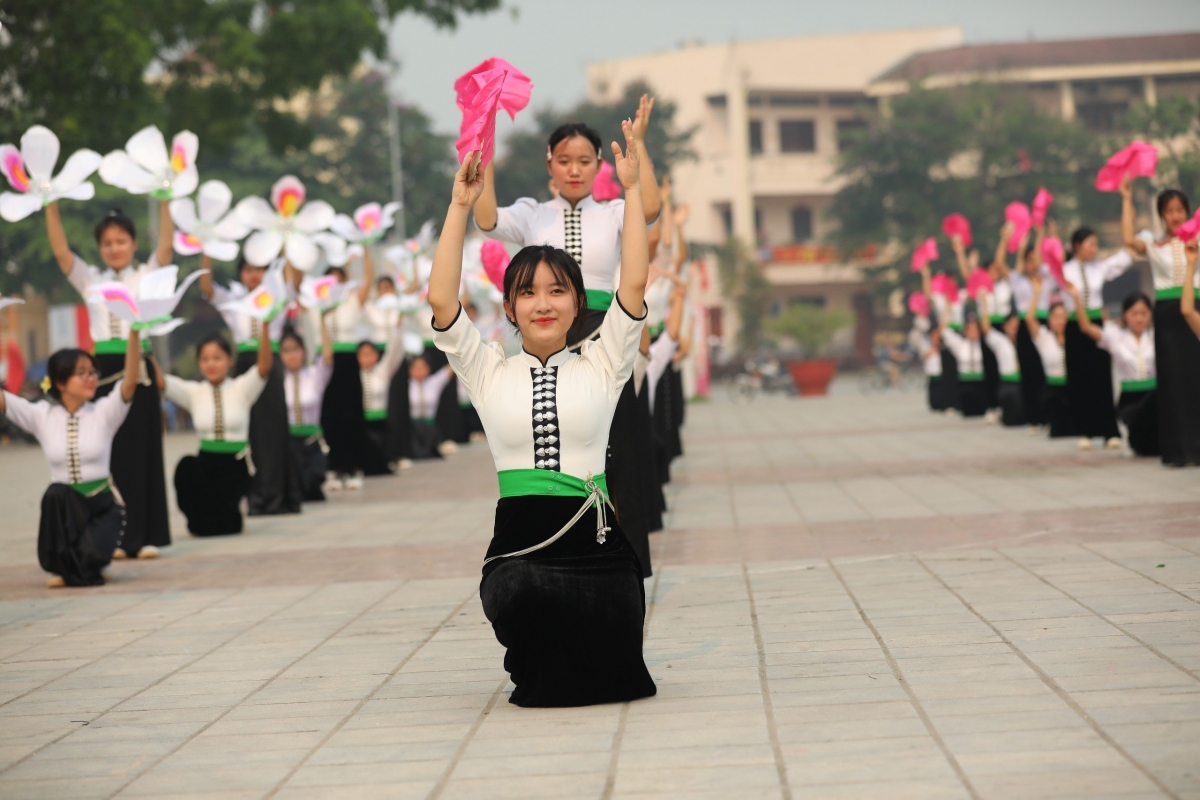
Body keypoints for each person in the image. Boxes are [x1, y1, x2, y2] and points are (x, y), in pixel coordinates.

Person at [429, 124, 656, 707]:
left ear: (578, 302)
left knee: (616, 674)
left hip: (599, 553)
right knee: (522, 595)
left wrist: (632, 194)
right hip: (520, 553)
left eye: (557, 291)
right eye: (528, 293)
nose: (543, 303)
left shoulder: (605, 362)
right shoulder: (486, 370)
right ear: (509, 307)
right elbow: (441, 302)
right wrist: (460, 206)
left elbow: (633, 280)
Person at [472, 95, 661, 346]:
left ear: (598, 165)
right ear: (549, 166)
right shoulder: (531, 213)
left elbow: (648, 210)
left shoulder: (613, 213)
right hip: (546, 333)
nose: (574, 171)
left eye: (584, 161)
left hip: (604, 334)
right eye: (564, 161)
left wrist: (637, 142)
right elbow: (487, 220)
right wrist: (487, 150)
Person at [47, 201, 173, 559]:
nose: (115, 248)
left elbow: (165, 246)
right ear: (100, 248)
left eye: (121, 241)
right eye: (107, 243)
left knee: (145, 448)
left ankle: (148, 535)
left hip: (140, 366)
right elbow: (60, 251)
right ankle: (114, 535)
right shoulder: (91, 280)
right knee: (108, 452)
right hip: (102, 371)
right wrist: (50, 203)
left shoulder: (147, 275)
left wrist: (164, 198)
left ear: (133, 243)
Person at [0, 330, 142, 586]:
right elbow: (3, 399)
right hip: (66, 510)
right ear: (61, 383)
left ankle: (95, 558)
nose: (91, 378)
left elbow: (130, 382)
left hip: (102, 506)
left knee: (89, 566)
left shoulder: (104, 412)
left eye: (92, 372)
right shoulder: (42, 415)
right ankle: (69, 563)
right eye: (82, 373)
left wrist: (134, 334)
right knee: (56, 492)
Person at [199, 255, 301, 516]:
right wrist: (208, 249)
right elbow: (206, 287)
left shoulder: (277, 295)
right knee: (249, 432)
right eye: (248, 270)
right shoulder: (234, 300)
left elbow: (296, 279)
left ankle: (277, 497)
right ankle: (255, 497)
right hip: (245, 364)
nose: (254, 275)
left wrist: (290, 243)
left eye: (259, 269)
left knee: (274, 432)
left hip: (271, 363)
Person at [157, 331, 272, 536]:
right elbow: (162, 382)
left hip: (235, 466)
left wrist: (265, 326)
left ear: (229, 360)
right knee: (186, 467)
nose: (211, 364)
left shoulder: (242, 388)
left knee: (228, 525)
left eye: (217, 358)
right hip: (207, 463)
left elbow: (263, 368)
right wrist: (141, 337)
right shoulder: (194, 392)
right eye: (205, 359)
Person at [1120, 177, 1200, 466]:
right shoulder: (1154, 243)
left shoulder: (1198, 237)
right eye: (1169, 210)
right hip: (1167, 313)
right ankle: (1177, 450)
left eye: (1180, 209)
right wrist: (1127, 199)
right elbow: (1129, 240)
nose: (1176, 215)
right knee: (1172, 381)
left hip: (1195, 307)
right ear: (1162, 214)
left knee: (1196, 377)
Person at [1059, 225, 1135, 450]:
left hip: (1096, 325)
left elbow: (1124, 259)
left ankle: (1109, 430)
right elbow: (1040, 264)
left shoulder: (1099, 268)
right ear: (1076, 246)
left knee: (1101, 376)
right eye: (1090, 244)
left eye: (1095, 244)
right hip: (1074, 326)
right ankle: (1084, 430)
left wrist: (1133, 236)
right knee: (1079, 376)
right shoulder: (1063, 270)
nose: (1094, 248)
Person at [1071, 286, 1158, 457]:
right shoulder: (1115, 337)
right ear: (1125, 315)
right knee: (1140, 442)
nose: (1139, 318)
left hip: (1153, 396)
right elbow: (1086, 328)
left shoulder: (1156, 336)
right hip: (1130, 398)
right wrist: (1077, 300)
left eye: (1144, 313)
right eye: (1134, 313)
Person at [317, 255, 373, 490]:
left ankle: (353, 468)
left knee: (352, 416)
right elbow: (319, 329)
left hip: (349, 362)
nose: (335, 283)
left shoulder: (353, 300)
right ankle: (334, 468)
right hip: (329, 362)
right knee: (331, 418)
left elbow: (369, 278)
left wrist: (365, 244)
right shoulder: (320, 303)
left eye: (339, 278)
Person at [280, 321, 333, 502]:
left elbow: (327, 356)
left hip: (312, 443)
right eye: (286, 351)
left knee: (312, 487)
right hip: (289, 444)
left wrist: (322, 319)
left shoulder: (314, 376)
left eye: (295, 349)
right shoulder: (277, 381)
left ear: (303, 351)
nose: (291, 355)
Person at [1011, 226, 1050, 431]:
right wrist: (1022, 245)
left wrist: (1041, 234)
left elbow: (1048, 257)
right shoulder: (1018, 281)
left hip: (1044, 324)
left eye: (1036, 259)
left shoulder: (1046, 278)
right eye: (1029, 259)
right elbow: (1009, 264)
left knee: (1047, 370)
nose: (1033, 263)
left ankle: (1048, 415)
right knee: (1029, 372)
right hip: (1026, 327)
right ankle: (1033, 418)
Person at [1025, 273, 1073, 438]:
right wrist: (1037, 292)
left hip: (1072, 389)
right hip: (1052, 390)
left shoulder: (1075, 338)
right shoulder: (1044, 337)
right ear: (1050, 320)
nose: (1061, 321)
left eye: (1063, 317)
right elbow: (1029, 319)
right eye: (1056, 317)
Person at [978, 295, 1025, 427]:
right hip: (1008, 383)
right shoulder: (1000, 342)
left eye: (1018, 325)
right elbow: (986, 328)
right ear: (1005, 326)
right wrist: (984, 306)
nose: (1015, 329)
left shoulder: (1026, 342)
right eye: (1012, 326)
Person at [407, 356, 454, 460]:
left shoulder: (434, 382)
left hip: (430, 427)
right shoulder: (405, 385)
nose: (419, 370)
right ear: (410, 369)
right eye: (416, 367)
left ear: (428, 368)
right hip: (412, 429)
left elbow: (450, 368)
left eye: (423, 367)